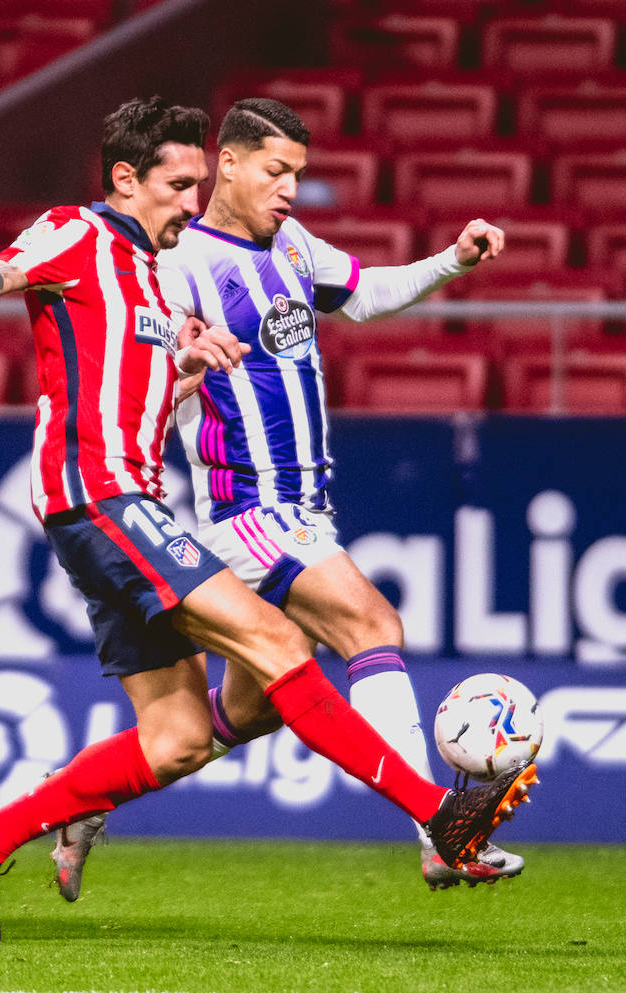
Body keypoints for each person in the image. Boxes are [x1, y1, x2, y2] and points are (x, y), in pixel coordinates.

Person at [0, 96, 535, 945]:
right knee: (282, 644)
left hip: (128, 504)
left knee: (177, 739)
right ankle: (437, 817)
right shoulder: (76, 235)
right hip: (99, 497)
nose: (191, 201)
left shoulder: (156, 283)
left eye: (198, 183)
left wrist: (189, 367)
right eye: (178, 183)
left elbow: (141, 395)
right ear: (126, 179)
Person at [47, 97, 522, 900]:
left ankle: (82, 797)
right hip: (250, 511)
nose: (290, 189)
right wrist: (189, 364)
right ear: (225, 165)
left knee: (238, 715)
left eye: (298, 174)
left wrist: (452, 259)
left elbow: (366, 293)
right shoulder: (176, 263)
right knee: (371, 623)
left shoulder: (292, 244)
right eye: (276, 171)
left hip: (306, 510)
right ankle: (440, 829)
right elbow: (139, 360)